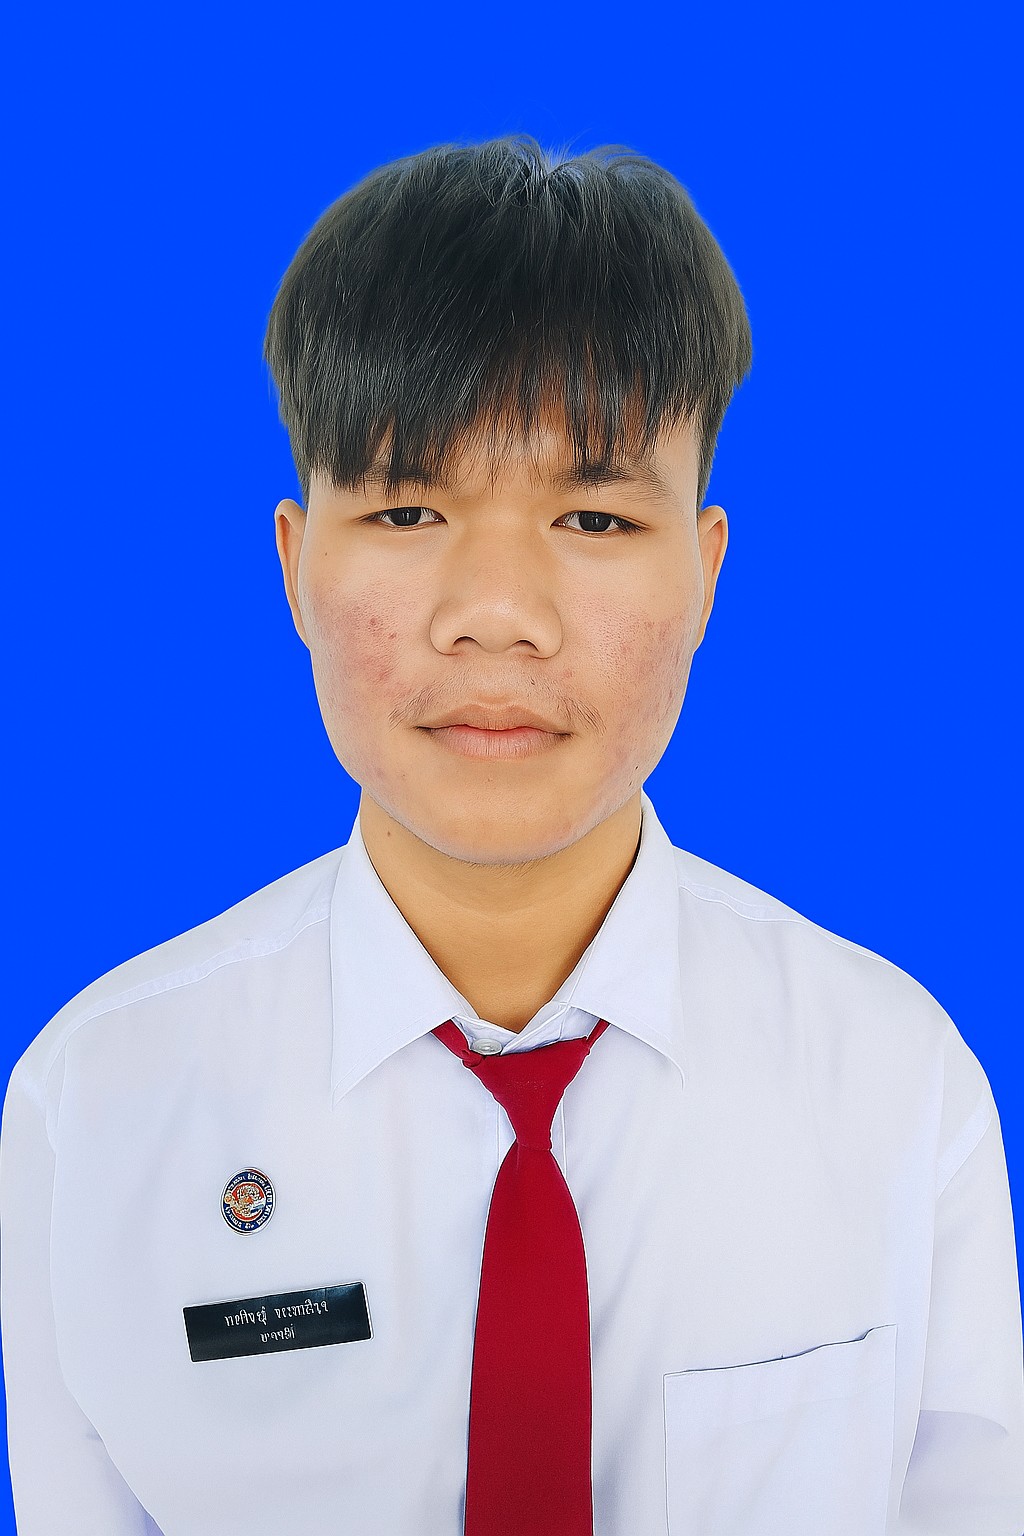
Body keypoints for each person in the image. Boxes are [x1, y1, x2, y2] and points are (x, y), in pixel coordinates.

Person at [1, 132, 1022, 1536]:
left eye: (593, 516)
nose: (496, 613)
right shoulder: (99, 1103)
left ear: (706, 572)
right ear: (294, 565)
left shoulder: (896, 1087)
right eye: (407, 507)